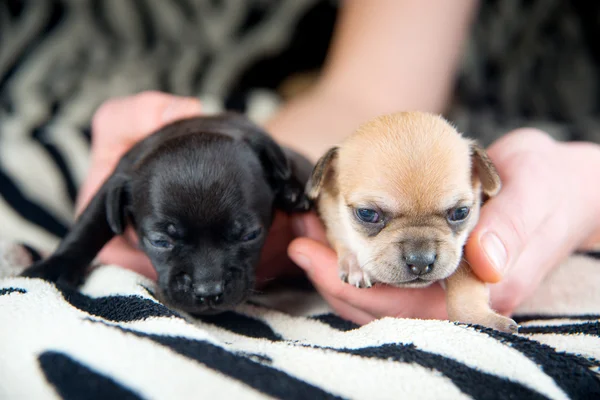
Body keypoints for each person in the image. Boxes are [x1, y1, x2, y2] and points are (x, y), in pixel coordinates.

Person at [77, 1, 600, 325]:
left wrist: (585, 186)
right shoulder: (323, 181)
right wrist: (228, 175)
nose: (421, 256)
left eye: (456, 215)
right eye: (373, 216)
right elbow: (362, 97)